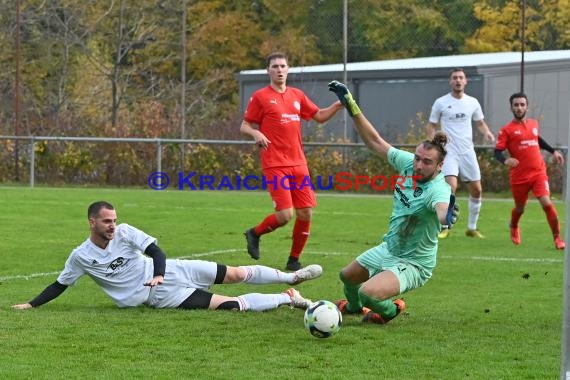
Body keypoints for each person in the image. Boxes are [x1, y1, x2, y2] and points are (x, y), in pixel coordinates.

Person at [11, 201, 323, 312]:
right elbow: (60, 284)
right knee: (228, 305)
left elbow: (155, 251)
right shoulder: (81, 256)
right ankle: (288, 297)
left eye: (114, 220)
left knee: (236, 273)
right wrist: (31, 304)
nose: (112, 226)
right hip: (161, 297)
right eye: (107, 221)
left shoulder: (125, 232)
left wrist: (159, 272)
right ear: (92, 222)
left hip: (173, 269)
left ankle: (292, 276)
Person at [327, 80, 459, 324]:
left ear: (440, 166)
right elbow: (375, 141)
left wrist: (447, 216)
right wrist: (350, 104)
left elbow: (442, 212)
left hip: (414, 263)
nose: (419, 165)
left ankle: (390, 310)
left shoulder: (438, 189)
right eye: (418, 158)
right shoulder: (408, 164)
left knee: (368, 292)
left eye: (427, 162)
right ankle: (354, 307)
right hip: (389, 248)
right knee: (347, 277)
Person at [240, 52, 344, 271]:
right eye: (275, 66)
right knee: (285, 215)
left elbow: (320, 116)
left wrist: (338, 104)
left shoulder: (297, 95)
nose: (279, 70)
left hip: (298, 164)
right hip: (275, 164)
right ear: (268, 70)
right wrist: (256, 134)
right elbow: (245, 125)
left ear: (288, 69)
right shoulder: (260, 96)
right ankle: (254, 233)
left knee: (306, 212)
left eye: (283, 66)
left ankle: (294, 260)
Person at [426, 68, 495, 239]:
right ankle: (445, 226)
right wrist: (432, 145)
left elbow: (480, 123)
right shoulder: (441, 102)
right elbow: (431, 125)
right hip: (449, 152)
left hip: (467, 152)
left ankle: (472, 228)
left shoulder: (472, 102)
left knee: (477, 190)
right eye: (455, 78)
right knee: (451, 187)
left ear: (465, 82)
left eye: (461, 78)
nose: (458, 80)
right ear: (451, 82)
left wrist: (487, 133)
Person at [494, 93, 566, 250]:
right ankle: (514, 225)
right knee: (520, 208)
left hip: (538, 172)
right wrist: (506, 160)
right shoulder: (507, 130)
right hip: (519, 176)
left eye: (522, 104)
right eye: (516, 105)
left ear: (527, 106)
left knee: (547, 203)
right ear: (511, 107)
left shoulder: (533, 123)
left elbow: (537, 139)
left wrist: (553, 151)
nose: (519, 107)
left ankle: (557, 239)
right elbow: (497, 151)